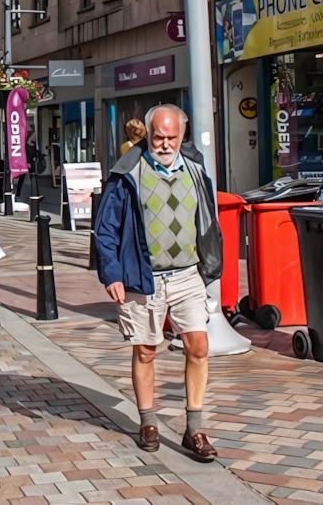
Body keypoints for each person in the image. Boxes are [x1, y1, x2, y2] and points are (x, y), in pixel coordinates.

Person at [94, 104, 222, 462]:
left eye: (172, 138)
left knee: (198, 346)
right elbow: (105, 229)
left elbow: (208, 219)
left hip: (187, 273)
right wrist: (111, 272)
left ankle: (194, 427)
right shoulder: (127, 174)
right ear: (147, 135)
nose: (165, 144)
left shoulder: (195, 171)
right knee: (146, 350)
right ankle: (148, 421)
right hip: (142, 275)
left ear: (182, 136)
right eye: (158, 137)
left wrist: (212, 265)